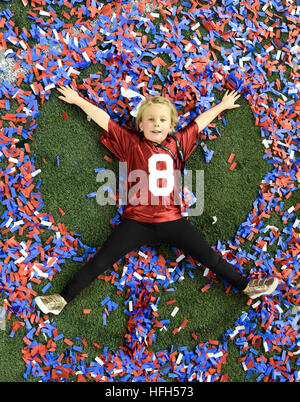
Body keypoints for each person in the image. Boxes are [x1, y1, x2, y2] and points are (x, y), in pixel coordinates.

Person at [34, 85, 279, 315]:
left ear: (171, 125)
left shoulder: (178, 142)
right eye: (150, 119)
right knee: (100, 261)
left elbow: (199, 123)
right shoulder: (131, 143)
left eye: (162, 120)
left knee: (209, 257)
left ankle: (247, 286)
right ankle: (62, 299)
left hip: (173, 220)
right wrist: (78, 101)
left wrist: (222, 106)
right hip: (136, 223)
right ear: (140, 124)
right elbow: (105, 121)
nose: (156, 124)